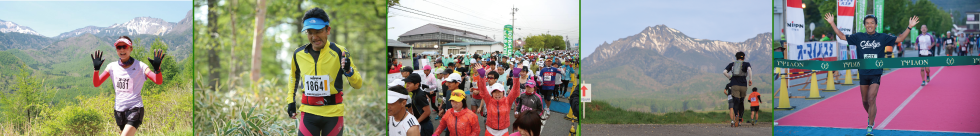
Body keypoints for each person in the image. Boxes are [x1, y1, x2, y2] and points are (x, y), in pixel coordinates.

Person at [825, 13, 918, 136]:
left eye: (872, 23)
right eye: (867, 23)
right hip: (863, 73)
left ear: (876, 25)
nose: (870, 25)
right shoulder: (858, 37)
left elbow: (900, 39)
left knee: (871, 98)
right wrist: (832, 23)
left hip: (876, 73)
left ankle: (870, 125)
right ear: (864, 25)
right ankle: (871, 114)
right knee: (864, 101)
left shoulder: (882, 37)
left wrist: (910, 27)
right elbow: (842, 36)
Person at [284, 7, 363, 136]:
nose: (314, 37)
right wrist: (290, 102)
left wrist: (349, 70)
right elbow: (293, 78)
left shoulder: (339, 52)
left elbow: (357, 84)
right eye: (310, 32)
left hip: (333, 114)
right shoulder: (298, 54)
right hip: (308, 113)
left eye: (319, 31)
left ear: (328, 30)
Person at [91, 36, 165, 136]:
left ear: (131, 48)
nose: (122, 50)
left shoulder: (141, 66)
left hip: (135, 108)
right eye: (119, 47)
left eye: (124, 46)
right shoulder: (111, 67)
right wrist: (96, 70)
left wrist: (157, 69)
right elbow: (97, 83)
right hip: (119, 109)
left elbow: (158, 81)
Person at [472, 65, 522, 136]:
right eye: (495, 92)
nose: (497, 94)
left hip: (503, 132)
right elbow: (483, 90)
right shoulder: (489, 100)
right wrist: (482, 76)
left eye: (499, 92)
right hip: (490, 131)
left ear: (503, 92)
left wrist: (516, 76)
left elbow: (515, 91)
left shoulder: (508, 101)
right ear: (492, 93)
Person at [723, 51, 752, 124]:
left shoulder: (732, 64)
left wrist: (730, 78)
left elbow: (724, 72)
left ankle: (736, 115)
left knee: (736, 101)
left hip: (734, 85)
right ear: (744, 57)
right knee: (741, 102)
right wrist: (750, 79)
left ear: (736, 57)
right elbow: (749, 70)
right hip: (743, 85)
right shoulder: (746, 64)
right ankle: (740, 119)